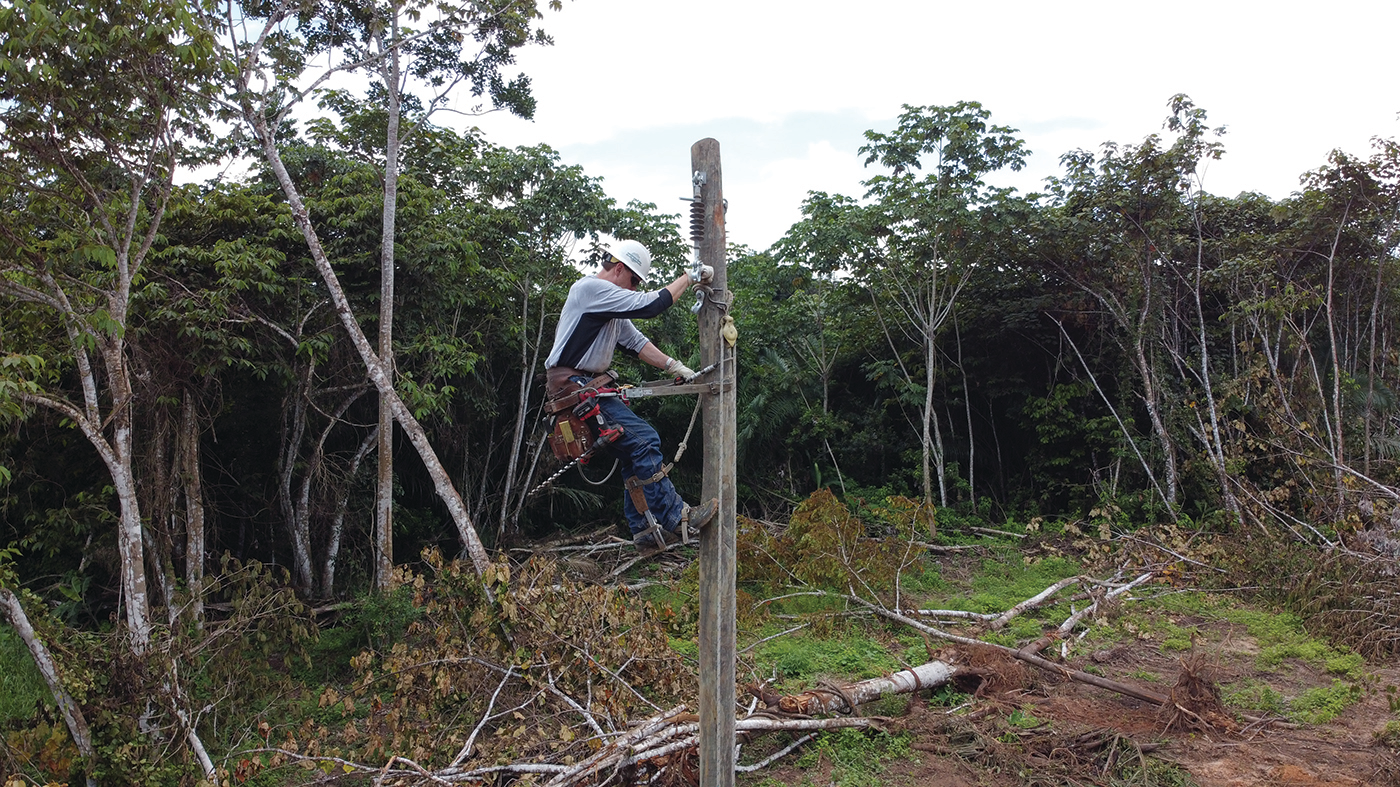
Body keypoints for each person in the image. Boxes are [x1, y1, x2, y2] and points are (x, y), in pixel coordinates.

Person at [544, 239, 717, 554]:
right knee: (644, 441)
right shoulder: (589, 290)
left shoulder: (609, 309)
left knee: (632, 451)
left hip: (586, 386)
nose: (635, 288)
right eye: (635, 281)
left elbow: (636, 343)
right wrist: (688, 277)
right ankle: (678, 516)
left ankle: (645, 531)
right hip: (574, 387)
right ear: (619, 268)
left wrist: (674, 366)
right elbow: (651, 305)